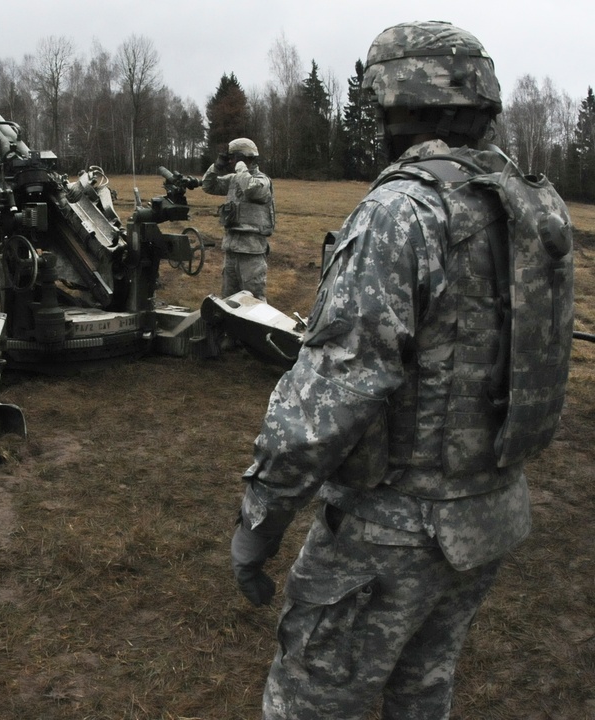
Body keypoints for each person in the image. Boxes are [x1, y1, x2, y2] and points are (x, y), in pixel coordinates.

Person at [229, 21, 573, 719]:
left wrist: (260, 518)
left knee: (312, 701)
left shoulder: (404, 211)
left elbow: (333, 392)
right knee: (421, 687)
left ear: (401, 107)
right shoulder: (533, 203)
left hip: (390, 533)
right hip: (488, 519)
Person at [202, 137, 275, 300]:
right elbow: (208, 185)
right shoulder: (234, 179)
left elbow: (250, 189)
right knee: (228, 301)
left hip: (252, 252)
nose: (231, 161)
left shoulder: (262, 181)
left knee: (253, 301)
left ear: (244, 158)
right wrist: (216, 166)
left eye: (234, 157)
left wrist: (241, 166)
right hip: (231, 249)